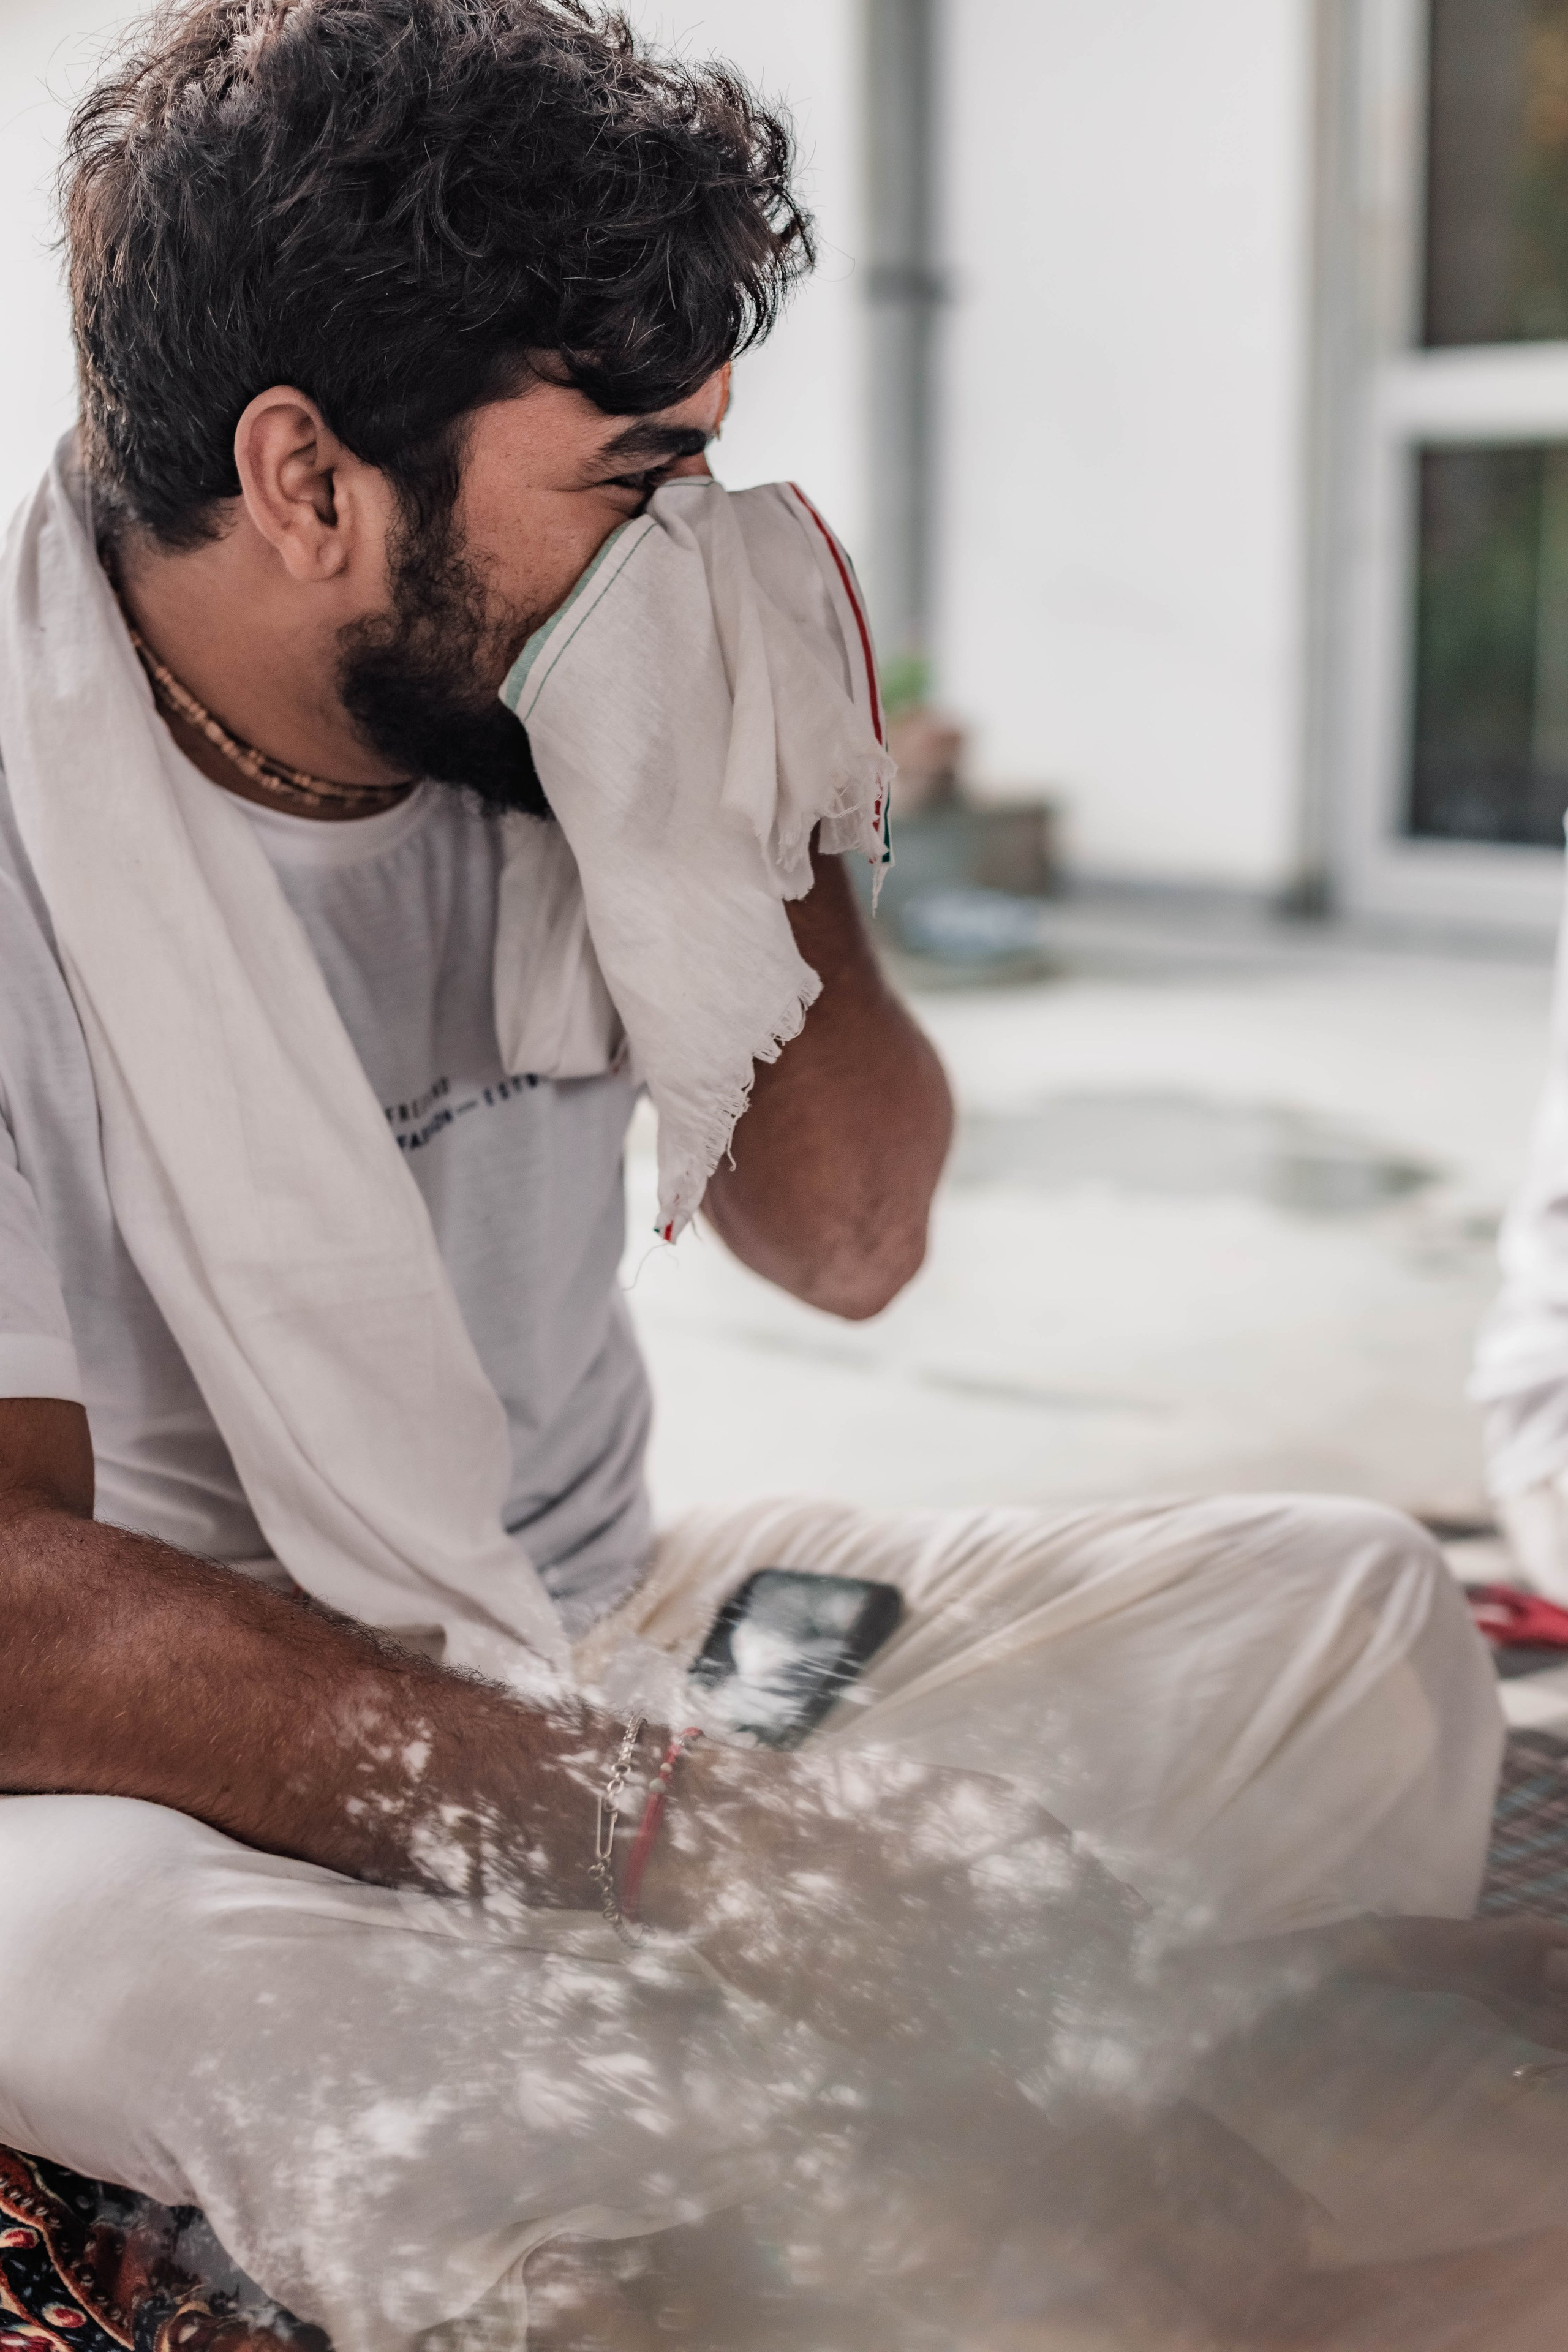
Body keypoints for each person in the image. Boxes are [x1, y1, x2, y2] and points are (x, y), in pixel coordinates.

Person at [0, 2, 1549, 2346]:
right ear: (308, 479)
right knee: (212, 1990)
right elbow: (19, 1613)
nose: (686, 551)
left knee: (1341, 1623)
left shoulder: (570, 709)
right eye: (632, 482)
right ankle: (882, 2128)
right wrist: (662, 1832)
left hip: (590, 1635)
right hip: (164, 1774)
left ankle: (840, 2146)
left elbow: (849, 1242)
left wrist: (762, 798)